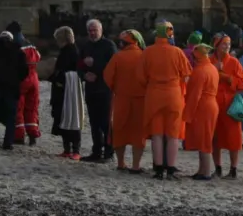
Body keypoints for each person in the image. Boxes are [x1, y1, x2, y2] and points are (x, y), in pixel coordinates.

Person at [138, 20, 192, 180]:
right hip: (173, 94)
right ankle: (171, 167)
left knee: (157, 133)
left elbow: (140, 77)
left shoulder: (148, 52)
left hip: (154, 94)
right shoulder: (177, 52)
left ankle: (159, 168)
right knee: (172, 134)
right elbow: (187, 74)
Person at [103, 30, 147, 173]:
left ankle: (121, 163)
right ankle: (135, 165)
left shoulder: (118, 57)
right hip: (141, 99)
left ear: (123, 43)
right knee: (138, 133)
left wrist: (117, 87)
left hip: (122, 98)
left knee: (120, 131)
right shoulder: (144, 56)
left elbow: (107, 77)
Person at [77, 19, 117, 162]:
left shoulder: (109, 45)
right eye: (90, 31)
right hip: (90, 88)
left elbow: (114, 65)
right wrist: (84, 75)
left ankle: (109, 152)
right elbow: (78, 65)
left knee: (105, 122)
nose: (93, 33)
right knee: (94, 122)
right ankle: (96, 151)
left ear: (101, 30)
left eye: (95, 30)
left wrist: (96, 66)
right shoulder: (85, 45)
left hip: (105, 88)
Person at [211, 32, 243, 179]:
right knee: (215, 137)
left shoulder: (234, 62)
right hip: (214, 103)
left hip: (230, 105)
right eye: (224, 44)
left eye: (229, 43)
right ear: (216, 45)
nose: (227, 46)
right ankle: (218, 168)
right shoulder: (209, 61)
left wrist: (226, 78)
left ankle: (233, 169)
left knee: (234, 137)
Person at [182, 44, 220, 180]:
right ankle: (202, 170)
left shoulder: (199, 71)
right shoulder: (212, 68)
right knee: (205, 138)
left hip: (203, 107)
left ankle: (206, 172)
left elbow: (194, 95)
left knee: (204, 140)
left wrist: (187, 114)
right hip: (211, 104)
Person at [6, 21, 42, 146]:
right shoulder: (30, 44)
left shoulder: (14, 45)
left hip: (21, 79)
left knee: (18, 108)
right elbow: (38, 57)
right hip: (34, 78)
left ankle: (19, 136)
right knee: (32, 108)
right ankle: (33, 135)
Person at [49, 26, 83, 159]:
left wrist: (58, 78)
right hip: (62, 89)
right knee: (63, 117)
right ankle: (67, 149)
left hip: (69, 90)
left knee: (72, 117)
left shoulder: (71, 52)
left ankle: (75, 150)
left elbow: (73, 71)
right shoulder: (67, 51)